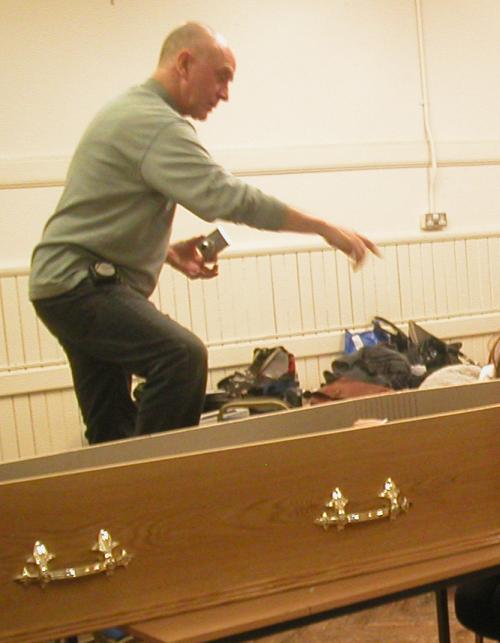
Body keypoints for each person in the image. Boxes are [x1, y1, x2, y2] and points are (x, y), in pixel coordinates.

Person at [29, 22, 379, 445]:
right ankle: (165, 476)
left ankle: (131, 483)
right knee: (180, 357)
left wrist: (166, 252)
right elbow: (225, 196)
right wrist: (322, 227)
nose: (225, 93)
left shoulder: (129, 112)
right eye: (221, 77)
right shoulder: (154, 123)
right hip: (82, 286)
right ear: (184, 63)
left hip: (62, 284)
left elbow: (99, 210)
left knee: (111, 428)